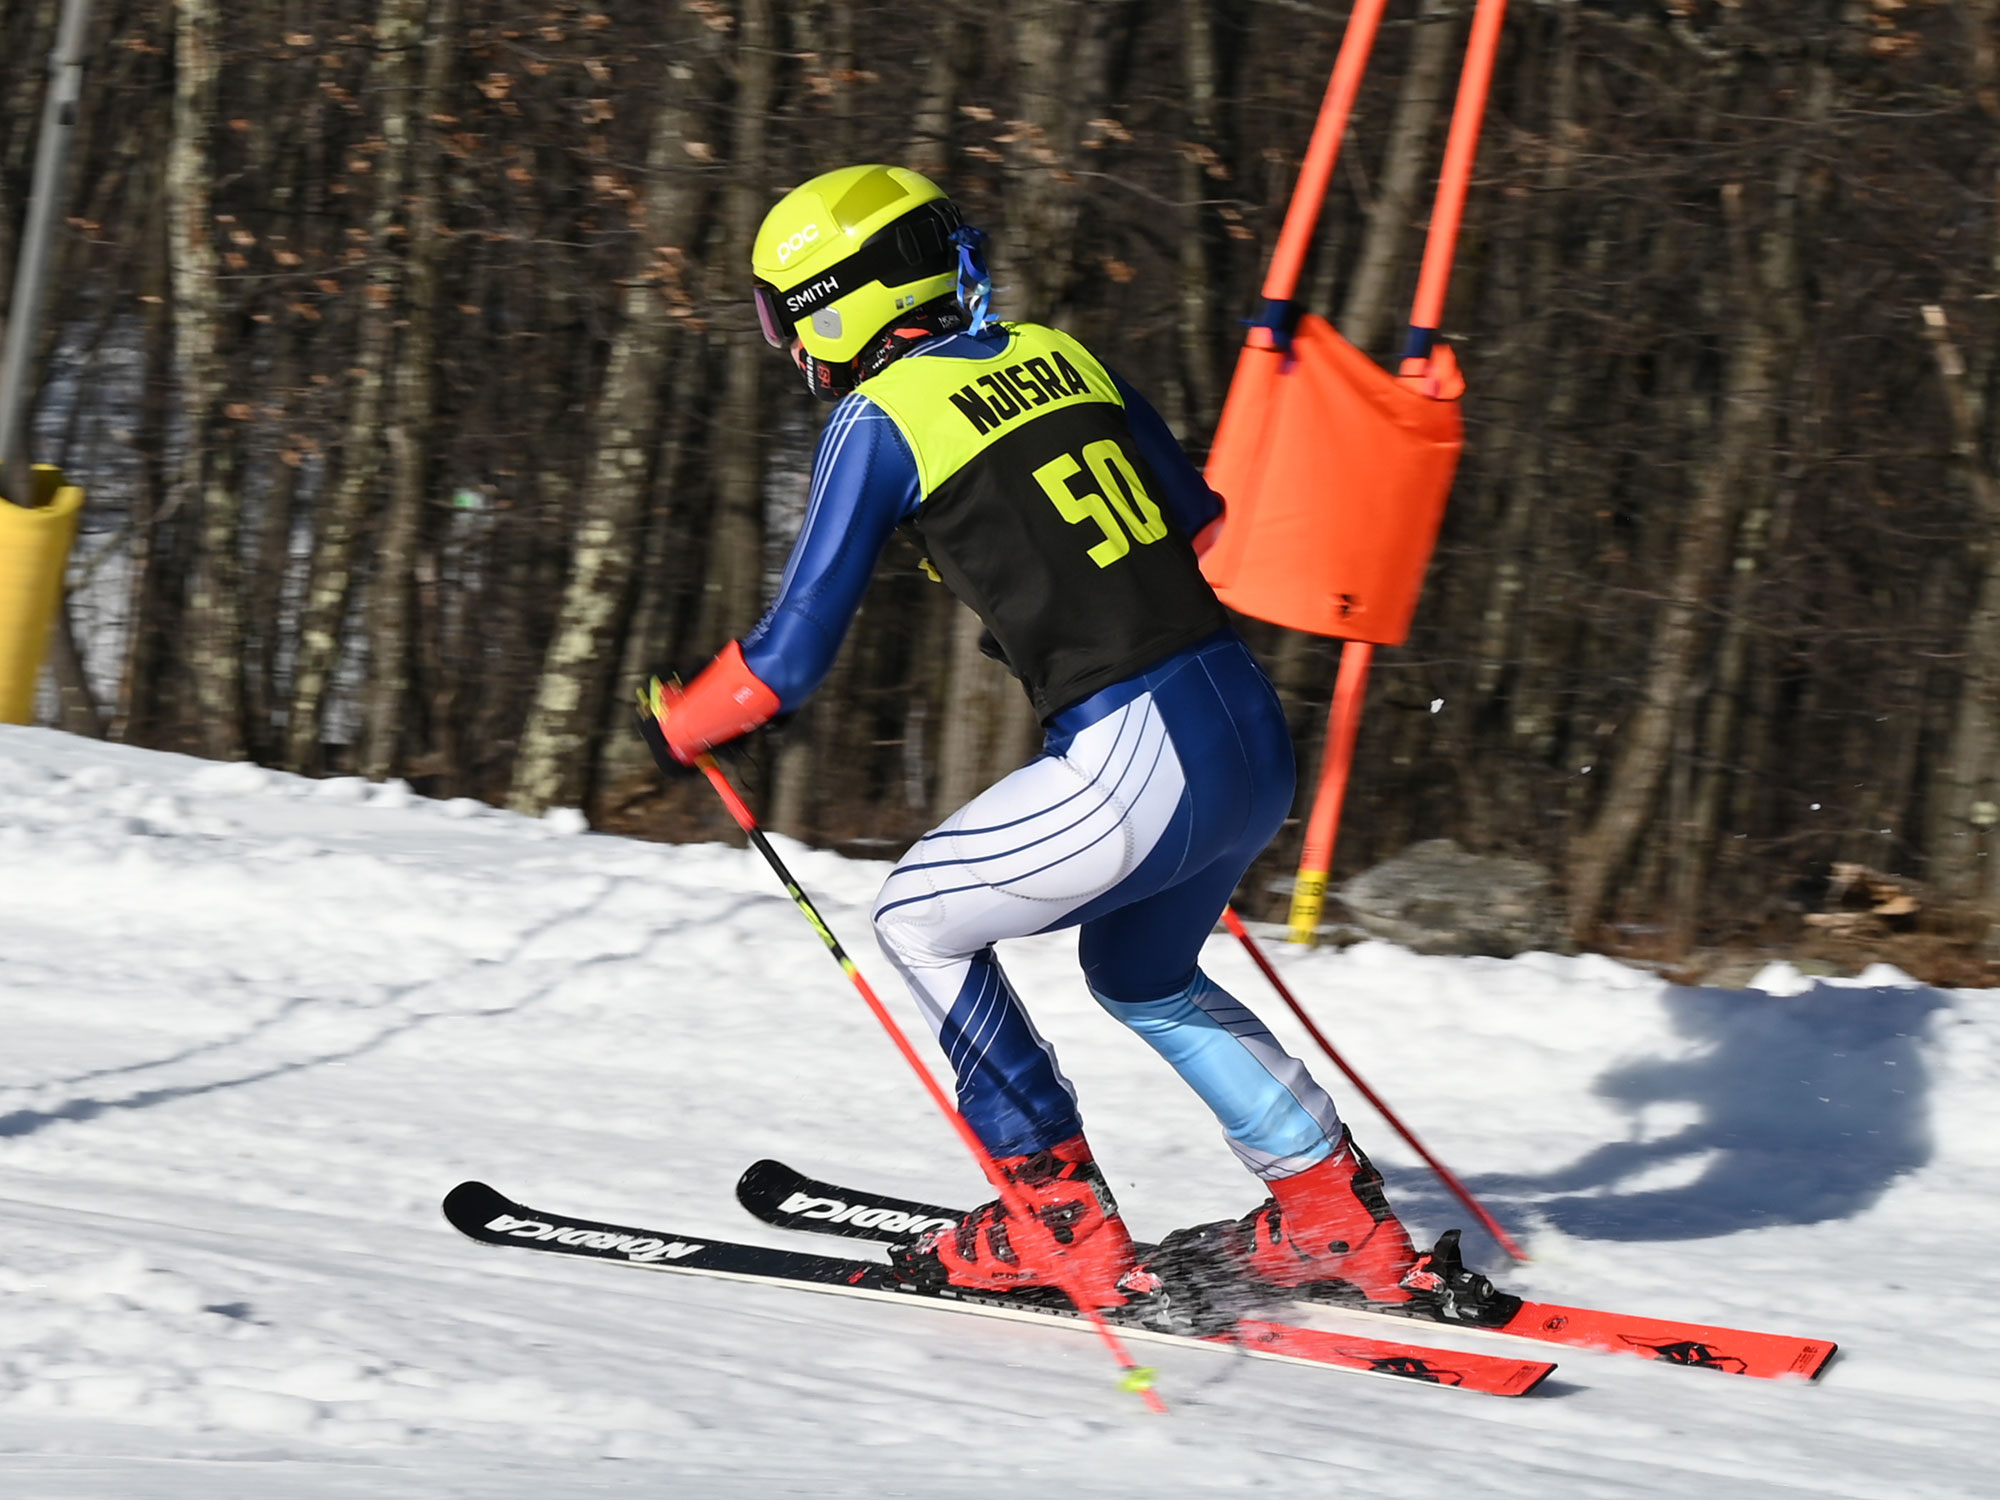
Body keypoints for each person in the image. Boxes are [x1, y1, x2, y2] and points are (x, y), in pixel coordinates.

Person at [637, 164, 1435, 1319]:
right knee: (1142, 977)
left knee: (917, 921)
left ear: (831, 304)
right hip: (1246, 728)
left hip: (1133, 755)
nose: (787, 345)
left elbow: (785, 660)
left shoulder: (878, 419)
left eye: (780, 317)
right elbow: (1198, 519)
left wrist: (684, 723)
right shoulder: (1062, 353)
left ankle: (1053, 1220)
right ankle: (1331, 1215)